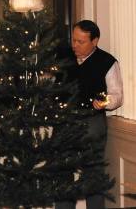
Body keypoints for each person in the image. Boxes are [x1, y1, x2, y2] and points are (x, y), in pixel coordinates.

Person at [55, 20, 123, 209]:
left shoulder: (107, 62)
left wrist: (104, 102)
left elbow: (117, 96)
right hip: (64, 121)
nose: (75, 45)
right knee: (61, 173)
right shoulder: (62, 58)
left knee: (92, 173)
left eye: (81, 42)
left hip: (91, 120)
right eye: (73, 40)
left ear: (95, 41)